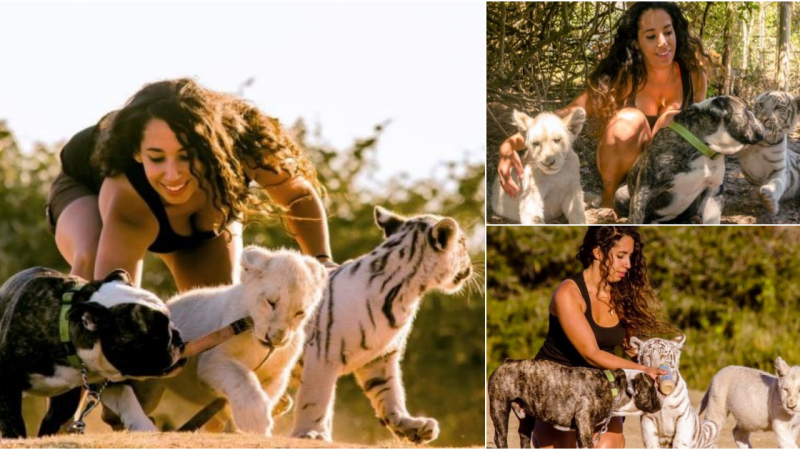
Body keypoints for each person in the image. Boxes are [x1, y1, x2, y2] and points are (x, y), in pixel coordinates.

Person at [46, 78, 334, 291]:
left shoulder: (246, 147)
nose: (173, 174)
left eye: (187, 156)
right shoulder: (128, 190)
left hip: (201, 219)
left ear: (213, 149)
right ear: (138, 153)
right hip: (84, 188)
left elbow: (298, 197)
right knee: (95, 275)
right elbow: (112, 294)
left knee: (217, 314)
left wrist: (323, 265)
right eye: (157, 158)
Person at [497, 2, 715, 214]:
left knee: (673, 120)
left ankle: (671, 202)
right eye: (651, 36)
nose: (663, 42)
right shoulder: (620, 78)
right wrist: (509, 145)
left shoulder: (694, 77)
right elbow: (563, 116)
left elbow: (700, 134)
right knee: (629, 120)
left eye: (668, 32)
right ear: (637, 42)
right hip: (625, 166)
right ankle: (610, 199)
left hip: (668, 171)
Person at [529, 226, 677, 448]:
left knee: (607, 445)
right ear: (598, 253)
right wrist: (644, 371)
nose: (628, 264)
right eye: (621, 256)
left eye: (630, 256)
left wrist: (653, 365)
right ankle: (539, 429)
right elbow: (591, 354)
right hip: (556, 385)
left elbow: (631, 351)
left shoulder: (622, 293)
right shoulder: (568, 293)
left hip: (599, 387)